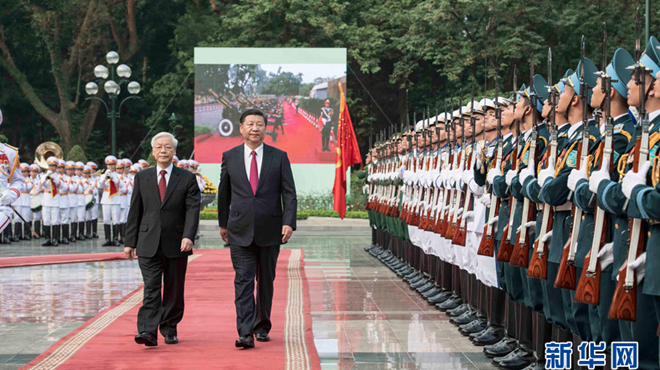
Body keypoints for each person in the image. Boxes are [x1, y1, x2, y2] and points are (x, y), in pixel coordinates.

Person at [218, 108, 297, 349]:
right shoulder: (229, 156)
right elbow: (224, 192)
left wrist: (288, 222)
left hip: (271, 229)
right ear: (241, 128)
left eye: (259, 124)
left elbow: (289, 193)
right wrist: (223, 223)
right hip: (239, 229)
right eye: (250, 124)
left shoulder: (279, 156)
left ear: (265, 128)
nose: (255, 128)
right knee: (243, 280)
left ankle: (262, 325)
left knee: (266, 281)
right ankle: (244, 332)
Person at [125, 132, 201, 347]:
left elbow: (192, 211)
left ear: (174, 151)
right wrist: (129, 242)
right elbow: (135, 211)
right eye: (159, 147)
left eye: (167, 147)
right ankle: (148, 331)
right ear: (152, 151)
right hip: (147, 241)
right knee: (151, 287)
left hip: (177, 242)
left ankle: (169, 327)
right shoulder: (142, 177)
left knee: (174, 289)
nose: (163, 151)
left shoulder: (186, 178)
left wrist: (188, 236)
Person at [98, 156, 125, 246]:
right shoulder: (103, 175)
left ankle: (115, 238)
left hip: (116, 199)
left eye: (112, 165)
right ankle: (107, 239)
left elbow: (121, 185)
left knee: (116, 220)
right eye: (109, 165)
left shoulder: (118, 176)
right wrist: (105, 176)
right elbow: (99, 185)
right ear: (107, 165)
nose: (111, 166)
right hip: (106, 199)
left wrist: (113, 177)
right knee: (106, 220)